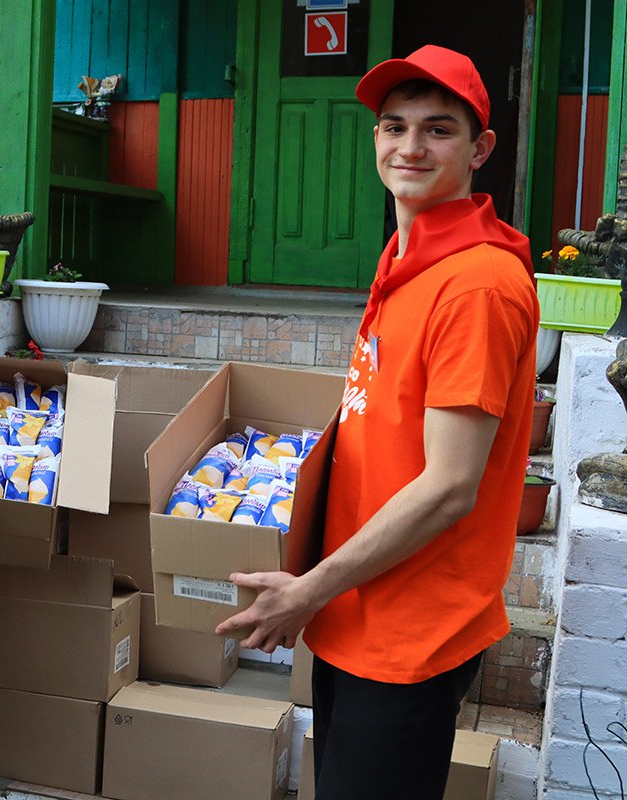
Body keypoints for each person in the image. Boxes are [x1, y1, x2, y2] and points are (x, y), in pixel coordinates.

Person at [217, 46, 539, 800]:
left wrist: (310, 587)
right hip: (360, 608)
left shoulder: (476, 285)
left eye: (439, 130)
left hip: (411, 628)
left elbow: (451, 486)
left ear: (480, 148)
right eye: (394, 126)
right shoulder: (411, 254)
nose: (410, 147)